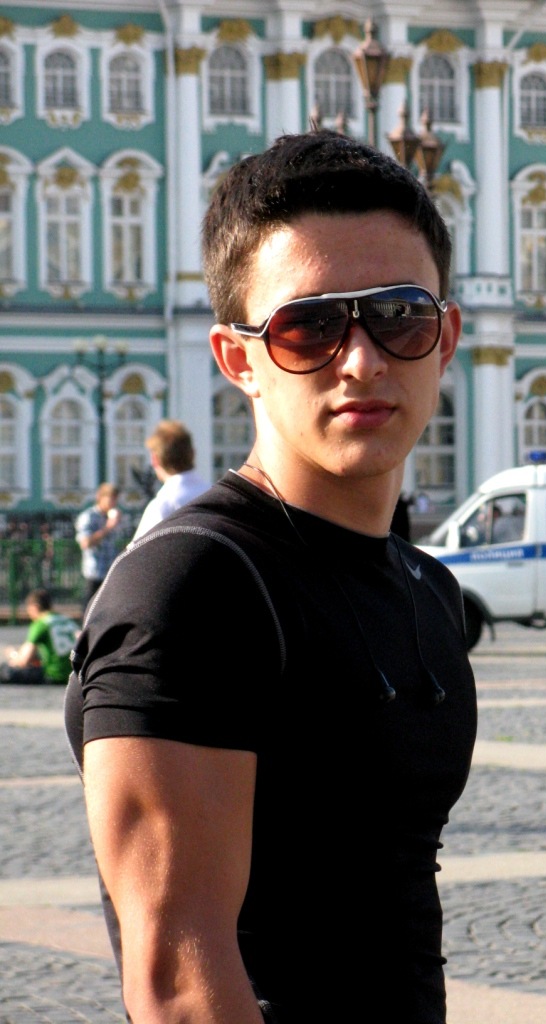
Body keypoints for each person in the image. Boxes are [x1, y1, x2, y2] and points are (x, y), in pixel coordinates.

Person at [65, 130, 477, 1024]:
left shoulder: (425, 588)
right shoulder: (195, 588)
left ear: (444, 339)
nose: (361, 360)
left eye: (399, 314)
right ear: (238, 359)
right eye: (309, 326)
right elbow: (178, 983)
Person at [132, 419, 209, 541]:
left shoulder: (163, 505)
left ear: (154, 459)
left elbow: (137, 551)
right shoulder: (214, 495)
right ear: (193, 454)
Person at [0, 589, 78, 684]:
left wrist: (13, 657)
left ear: (35, 607)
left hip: (54, 674)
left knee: (6, 671)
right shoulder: (67, 620)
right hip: (74, 673)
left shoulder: (41, 623)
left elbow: (24, 660)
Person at [74, 483, 122, 612]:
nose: (113, 503)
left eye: (115, 500)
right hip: (95, 573)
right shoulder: (88, 516)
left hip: (111, 573)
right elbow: (85, 543)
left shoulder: (112, 516)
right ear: (100, 498)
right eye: (111, 499)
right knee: (90, 611)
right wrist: (108, 528)